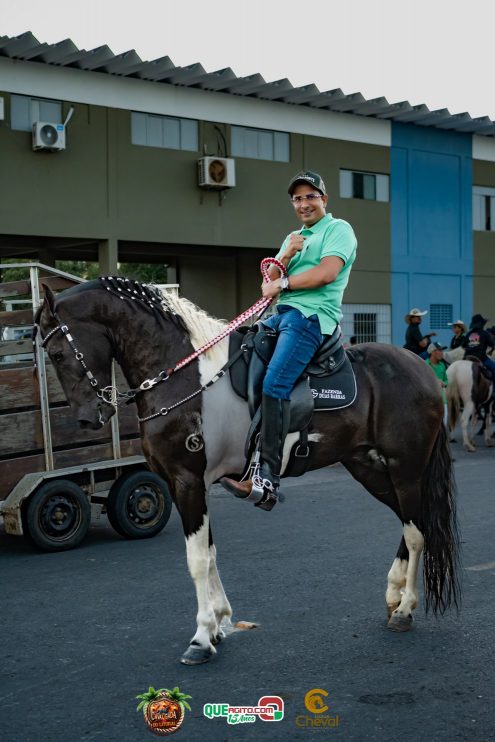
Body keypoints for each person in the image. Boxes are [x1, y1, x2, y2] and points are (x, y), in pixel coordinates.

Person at [220, 170, 357, 511]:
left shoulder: (338, 230)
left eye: (310, 196)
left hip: (311, 319)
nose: (304, 203)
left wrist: (281, 284)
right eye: (297, 198)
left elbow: (327, 273)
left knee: (274, 384)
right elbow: (270, 279)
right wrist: (285, 256)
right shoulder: (294, 236)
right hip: (279, 316)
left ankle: (266, 478)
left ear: (324, 199)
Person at [425, 341, 449, 426]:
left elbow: (446, 381)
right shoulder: (425, 364)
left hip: (442, 400)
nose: (442, 353)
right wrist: (434, 381)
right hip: (429, 401)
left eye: (442, 350)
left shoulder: (442, 365)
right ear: (432, 352)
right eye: (439, 350)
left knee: (444, 424)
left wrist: (443, 383)